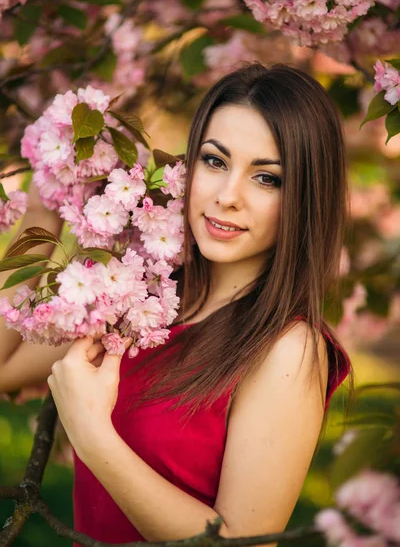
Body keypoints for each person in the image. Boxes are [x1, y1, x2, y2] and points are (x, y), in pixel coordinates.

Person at [0, 62, 353, 547]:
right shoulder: (138, 298)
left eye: (267, 179)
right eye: (215, 161)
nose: (228, 196)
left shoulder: (286, 349)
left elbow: (242, 543)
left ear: (306, 196)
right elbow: (4, 365)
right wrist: (44, 204)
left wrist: (91, 432)